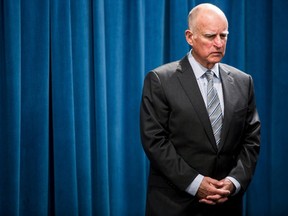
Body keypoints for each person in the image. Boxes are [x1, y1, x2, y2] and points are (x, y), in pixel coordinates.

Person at [140, 3, 260, 216]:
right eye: (210, 36)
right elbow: (155, 141)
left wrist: (233, 182)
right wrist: (195, 183)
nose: (218, 43)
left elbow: (251, 140)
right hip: (174, 204)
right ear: (189, 37)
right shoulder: (160, 80)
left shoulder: (243, 82)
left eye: (223, 36)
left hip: (226, 204)